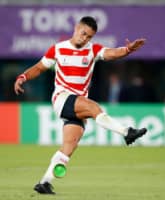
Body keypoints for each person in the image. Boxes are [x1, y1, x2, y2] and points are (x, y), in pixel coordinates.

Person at [14, 16, 147, 195]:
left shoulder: (93, 50)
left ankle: (44, 182)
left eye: (89, 37)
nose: (85, 39)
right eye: (83, 33)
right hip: (62, 99)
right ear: (76, 28)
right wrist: (23, 77)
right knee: (93, 108)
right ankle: (127, 132)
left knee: (68, 147)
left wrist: (127, 50)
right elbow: (39, 68)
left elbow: (112, 53)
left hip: (77, 106)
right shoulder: (58, 49)